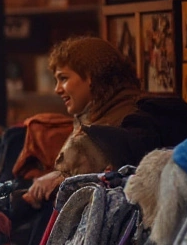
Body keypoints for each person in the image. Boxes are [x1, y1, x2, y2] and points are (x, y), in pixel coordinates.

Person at [25, 36, 153, 208]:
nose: (57, 89)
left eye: (63, 78)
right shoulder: (106, 112)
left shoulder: (105, 130)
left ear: (91, 76)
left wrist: (57, 180)